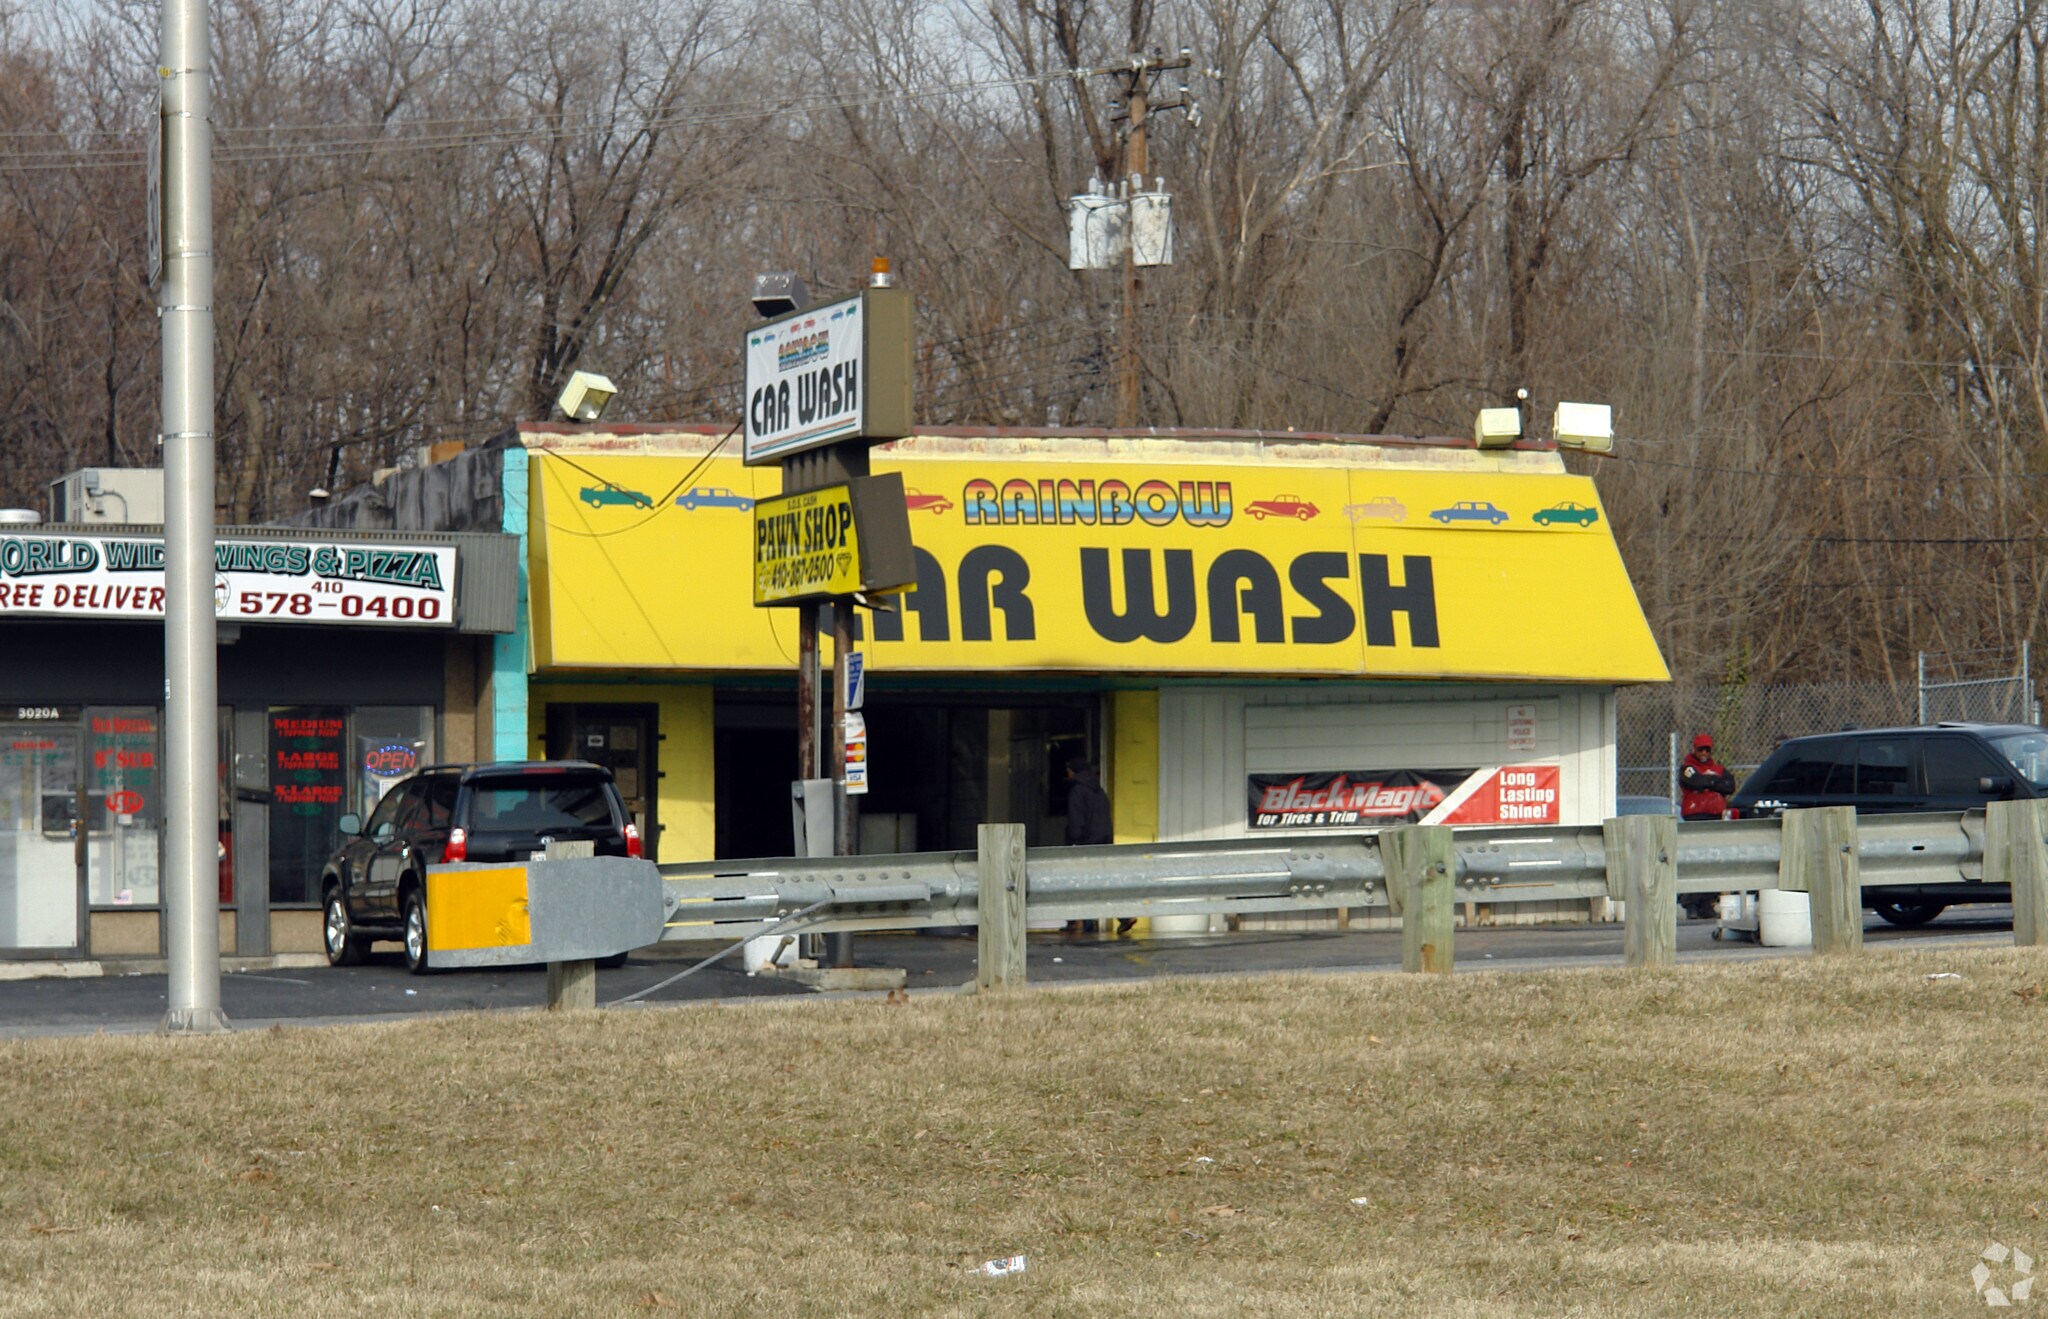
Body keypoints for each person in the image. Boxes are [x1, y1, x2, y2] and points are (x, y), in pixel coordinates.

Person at [1063, 759, 1122, 936]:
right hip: (1103, 843)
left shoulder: (1078, 792)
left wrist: (1073, 841)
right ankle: (1125, 916)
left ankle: (1085, 922)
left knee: (1081, 883)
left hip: (1085, 845)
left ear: (1073, 772)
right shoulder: (1100, 792)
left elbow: (1076, 822)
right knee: (1104, 882)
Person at [1679, 733, 1735, 821]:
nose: (1704, 753)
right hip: (1695, 815)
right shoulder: (1688, 768)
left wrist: (1709, 781)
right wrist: (1714, 781)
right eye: (1700, 749)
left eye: (1707, 750)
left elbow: (1729, 787)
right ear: (1694, 749)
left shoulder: (1719, 769)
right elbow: (1695, 782)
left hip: (1717, 815)